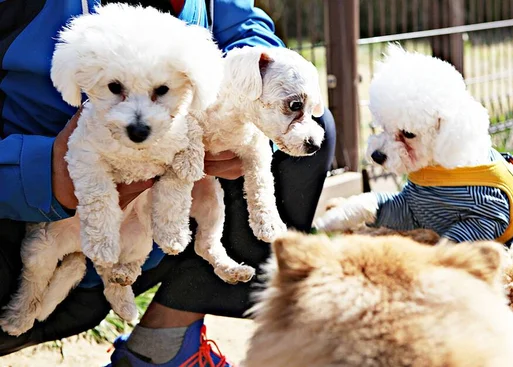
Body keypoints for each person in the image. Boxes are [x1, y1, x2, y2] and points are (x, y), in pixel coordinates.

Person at [0, 0, 336, 365]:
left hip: (146, 234)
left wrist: (251, 115)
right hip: (20, 221)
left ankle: (166, 343)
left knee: (313, 137)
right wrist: (36, 172)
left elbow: (246, 30)